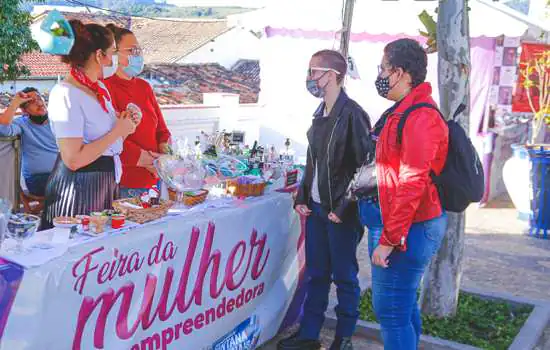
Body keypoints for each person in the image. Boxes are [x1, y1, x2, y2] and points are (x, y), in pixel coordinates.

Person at [278, 50, 374, 350]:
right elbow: (314, 159)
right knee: (317, 273)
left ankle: (343, 338)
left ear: (332, 75)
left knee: (345, 277)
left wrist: (344, 206)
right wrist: (303, 196)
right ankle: (309, 334)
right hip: (319, 209)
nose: (310, 78)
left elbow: (367, 168)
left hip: (342, 213)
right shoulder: (320, 113)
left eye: (314, 72)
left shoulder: (353, 114)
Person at [360, 38, 449, 350]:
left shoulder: (420, 116)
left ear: (399, 73)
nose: (380, 74)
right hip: (404, 224)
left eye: (383, 68)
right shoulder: (404, 110)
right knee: (402, 306)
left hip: (411, 227)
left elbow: (411, 184)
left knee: (392, 312)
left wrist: (389, 239)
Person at [42, 20, 137, 229]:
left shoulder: (100, 89)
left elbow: (107, 142)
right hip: (79, 187)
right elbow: (73, 159)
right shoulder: (66, 93)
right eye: (112, 53)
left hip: (105, 181)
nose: (114, 60)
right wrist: (117, 132)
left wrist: (125, 127)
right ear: (98, 55)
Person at [103, 24, 171, 197]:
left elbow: (161, 130)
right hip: (126, 182)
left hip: (154, 180)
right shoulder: (106, 88)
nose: (138, 55)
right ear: (115, 54)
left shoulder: (145, 87)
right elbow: (110, 139)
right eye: (132, 51)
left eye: (139, 51)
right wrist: (150, 161)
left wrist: (164, 154)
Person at [0, 88, 58, 196]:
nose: (39, 102)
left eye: (39, 98)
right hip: (38, 178)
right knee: (66, 187)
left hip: (62, 174)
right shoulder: (21, 123)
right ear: (25, 111)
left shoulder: (57, 121)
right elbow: (3, 129)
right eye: (31, 101)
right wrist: (15, 102)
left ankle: (44, 207)